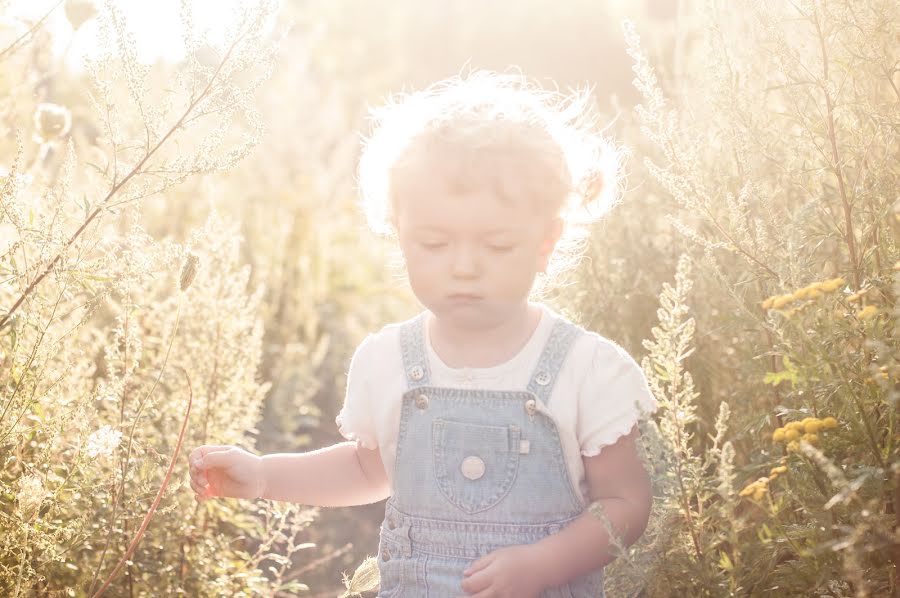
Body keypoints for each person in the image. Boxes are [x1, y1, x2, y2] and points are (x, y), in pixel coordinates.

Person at [189, 70, 659, 598]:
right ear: (399, 233)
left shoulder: (587, 370)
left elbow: (625, 504)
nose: (464, 267)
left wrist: (547, 563)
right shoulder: (388, 360)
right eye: (434, 243)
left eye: (497, 246)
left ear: (546, 241)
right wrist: (264, 476)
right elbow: (368, 469)